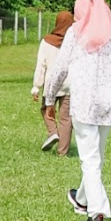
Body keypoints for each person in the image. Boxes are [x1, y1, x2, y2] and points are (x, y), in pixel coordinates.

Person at [44, 0, 111, 221]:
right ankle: (80, 199)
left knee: (90, 160)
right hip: (109, 103)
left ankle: (96, 214)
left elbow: (59, 68)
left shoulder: (75, 33)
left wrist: (49, 98)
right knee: (96, 158)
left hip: (85, 103)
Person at [31, 9, 75, 154]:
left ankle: (53, 133)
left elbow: (41, 65)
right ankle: (62, 152)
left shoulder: (46, 41)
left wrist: (36, 87)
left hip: (51, 84)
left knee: (46, 110)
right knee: (66, 119)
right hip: (69, 84)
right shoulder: (74, 42)